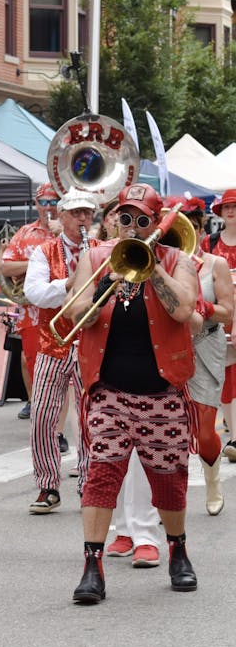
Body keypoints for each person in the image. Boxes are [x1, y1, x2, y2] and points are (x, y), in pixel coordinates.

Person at [68, 183, 199, 604]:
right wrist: (109, 275)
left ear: (155, 224)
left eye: (142, 220)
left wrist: (152, 266)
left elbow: (183, 311)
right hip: (109, 391)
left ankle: (177, 549)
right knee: (101, 473)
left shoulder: (178, 260)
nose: (132, 227)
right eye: (125, 218)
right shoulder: (95, 258)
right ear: (113, 220)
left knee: (168, 479)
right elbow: (75, 313)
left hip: (162, 391)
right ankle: (93, 567)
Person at [22, 187, 99, 514]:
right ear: (62, 216)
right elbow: (35, 293)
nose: (82, 219)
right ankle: (47, 485)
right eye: (76, 213)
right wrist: (70, 282)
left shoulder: (100, 249)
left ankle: (88, 482)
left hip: (92, 343)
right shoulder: (45, 251)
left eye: (87, 213)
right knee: (41, 415)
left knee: (90, 419)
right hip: (52, 343)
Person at [179, 196, 232, 514]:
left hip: (207, 344)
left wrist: (205, 307)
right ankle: (168, 496)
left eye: (192, 226)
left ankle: (213, 480)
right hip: (169, 347)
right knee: (169, 426)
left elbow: (227, 313)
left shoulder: (216, 264)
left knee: (204, 430)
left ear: (200, 228)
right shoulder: (162, 263)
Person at [2, 184, 62, 420]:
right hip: (32, 311)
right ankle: (38, 406)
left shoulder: (68, 230)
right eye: (43, 202)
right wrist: (36, 265)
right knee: (32, 360)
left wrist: (60, 234)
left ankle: (58, 413)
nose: (48, 207)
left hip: (63, 310)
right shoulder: (25, 233)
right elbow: (5, 267)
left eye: (53, 201)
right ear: (36, 204)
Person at [202, 189, 236, 459]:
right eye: (227, 208)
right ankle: (233, 437)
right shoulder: (209, 242)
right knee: (224, 378)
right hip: (219, 316)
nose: (232, 211)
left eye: (235, 207)